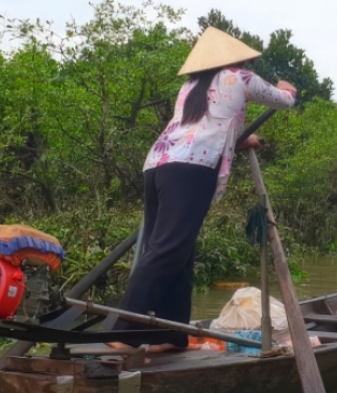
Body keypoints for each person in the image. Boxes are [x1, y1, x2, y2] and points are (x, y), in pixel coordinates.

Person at [112, 27, 297, 350]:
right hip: (191, 170)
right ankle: (123, 332)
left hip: (158, 165)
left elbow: (205, 127)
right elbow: (283, 101)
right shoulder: (240, 77)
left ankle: (171, 334)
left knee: (179, 251)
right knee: (168, 249)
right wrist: (287, 89)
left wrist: (241, 141)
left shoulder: (190, 86)